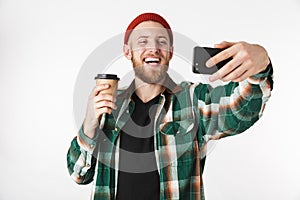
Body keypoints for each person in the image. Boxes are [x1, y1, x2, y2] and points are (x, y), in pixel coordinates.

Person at [67, 12, 273, 200]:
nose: (153, 48)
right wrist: (89, 126)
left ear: (171, 52)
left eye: (161, 41)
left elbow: (242, 111)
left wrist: (261, 65)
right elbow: (79, 175)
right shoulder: (108, 102)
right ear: (128, 52)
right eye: (142, 41)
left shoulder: (194, 100)